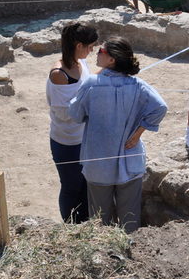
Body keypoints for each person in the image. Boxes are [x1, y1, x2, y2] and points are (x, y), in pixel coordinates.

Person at [68, 37, 168, 233]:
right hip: (130, 161)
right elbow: (160, 107)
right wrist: (139, 132)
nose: (96, 53)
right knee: (130, 221)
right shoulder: (137, 85)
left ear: (111, 59)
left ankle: (105, 252)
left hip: (98, 163)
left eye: (101, 51)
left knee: (99, 222)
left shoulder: (91, 83)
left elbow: (75, 115)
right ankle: (131, 249)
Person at [46, 22, 99, 224]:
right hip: (66, 142)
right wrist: (90, 102)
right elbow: (63, 113)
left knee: (85, 183)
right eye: (90, 46)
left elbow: (88, 84)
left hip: (84, 137)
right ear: (79, 45)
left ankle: (84, 223)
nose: (91, 51)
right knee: (71, 187)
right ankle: (70, 225)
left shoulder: (81, 62)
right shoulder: (59, 74)